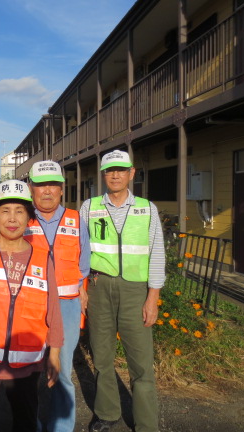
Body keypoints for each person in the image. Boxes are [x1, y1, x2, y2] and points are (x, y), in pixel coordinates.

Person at [0, 179, 63, 432]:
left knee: (25, 422)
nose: (12, 218)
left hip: (26, 360)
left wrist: (54, 354)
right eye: (5, 211)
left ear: (29, 218)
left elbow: (53, 308)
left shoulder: (42, 258)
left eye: (20, 211)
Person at [80, 150, 165, 432]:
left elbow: (157, 254)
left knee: (141, 363)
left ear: (132, 173)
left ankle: (146, 424)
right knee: (102, 357)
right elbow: (81, 252)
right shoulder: (89, 207)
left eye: (121, 169)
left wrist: (153, 298)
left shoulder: (146, 208)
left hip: (135, 290)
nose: (115, 174)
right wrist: (82, 289)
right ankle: (107, 413)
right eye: (109, 170)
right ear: (104, 175)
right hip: (99, 287)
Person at [25, 160, 90, 432]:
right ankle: (31, 424)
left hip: (66, 306)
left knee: (62, 371)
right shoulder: (22, 219)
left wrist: (80, 293)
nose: (47, 191)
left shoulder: (76, 219)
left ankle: (61, 427)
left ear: (62, 189)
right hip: (30, 308)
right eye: (40, 185)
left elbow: (83, 262)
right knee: (27, 370)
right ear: (31, 189)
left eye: (53, 185)